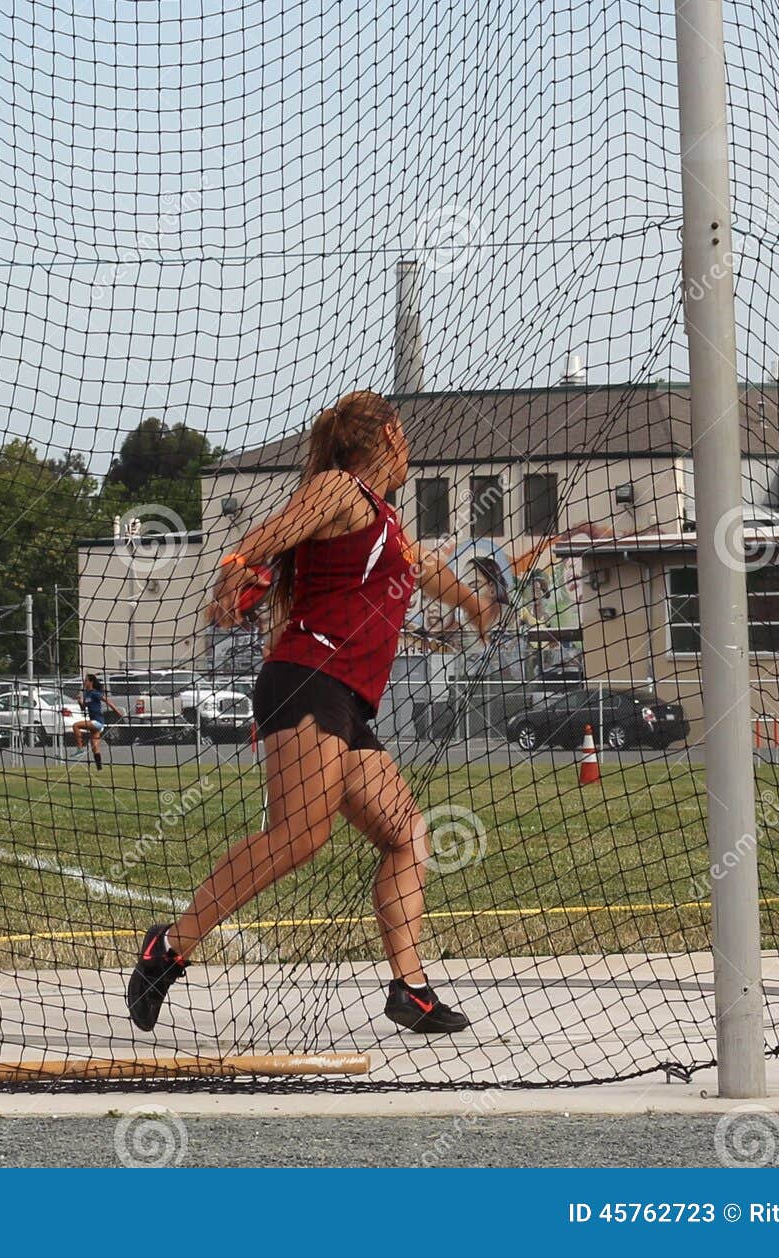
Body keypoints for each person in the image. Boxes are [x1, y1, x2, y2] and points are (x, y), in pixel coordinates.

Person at [127, 389, 499, 1037]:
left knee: (407, 835)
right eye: (403, 433)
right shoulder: (340, 489)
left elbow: (428, 569)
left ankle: (410, 990)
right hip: (308, 680)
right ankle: (170, 947)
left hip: (344, 700)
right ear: (386, 439)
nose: (410, 444)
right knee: (300, 837)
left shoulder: (383, 521)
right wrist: (236, 568)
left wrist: (472, 606)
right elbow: (268, 534)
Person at [71, 672, 123, 768]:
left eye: (86, 680)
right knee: (95, 747)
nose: (84, 682)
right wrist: (79, 701)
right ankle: (99, 768)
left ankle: (80, 749)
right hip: (94, 723)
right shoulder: (86, 694)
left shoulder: (95, 693)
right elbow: (83, 708)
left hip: (98, 722)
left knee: (75, 725)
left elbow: (107, 701)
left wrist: (117, 712)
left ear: (91, 682)